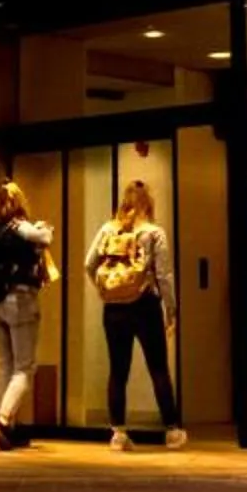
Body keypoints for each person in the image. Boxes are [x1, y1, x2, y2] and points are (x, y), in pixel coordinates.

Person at [85, 178, 184, 451]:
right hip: (145, 306)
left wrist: (106, 289)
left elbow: (88, 263)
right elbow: (164, 275)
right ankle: (172, 431)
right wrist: (171, 309)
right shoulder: (154, 233)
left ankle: (118, 433)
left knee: (118, 370)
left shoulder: (108, 229)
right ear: (147, 203)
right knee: (158, 367)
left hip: (113, 309)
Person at [0, 179, 54, 449]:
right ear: (19, 202)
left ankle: (11, 428)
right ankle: (5, 421)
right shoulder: (19, 227)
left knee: (5, 364)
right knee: (24, 368)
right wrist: (43, 227)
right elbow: (45, 238)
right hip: (20, 300)